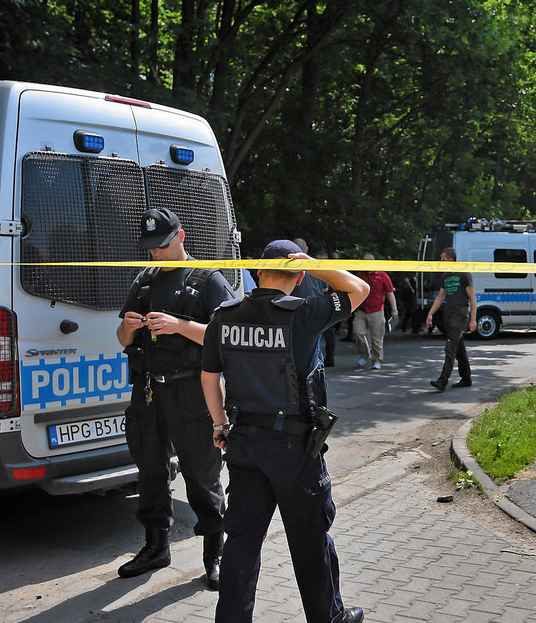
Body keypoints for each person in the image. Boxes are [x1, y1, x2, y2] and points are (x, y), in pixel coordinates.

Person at [201, 239, 369, 623]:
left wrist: (219, 424)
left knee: (242, 543)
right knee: (310, 541)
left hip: (243, 444)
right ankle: (329, 618)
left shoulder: (223, 317)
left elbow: (209, 376)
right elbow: (358, 289)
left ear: (259, 270)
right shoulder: (304, 314)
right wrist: (313, 262)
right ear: (299, 276)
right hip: (295, 450)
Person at [115, 208, 233, 589]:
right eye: (149, 248)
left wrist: (181, 326)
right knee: (150, 470)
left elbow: (227, 338)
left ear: (181, 236)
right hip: (149, 389)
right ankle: (155, 547)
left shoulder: (208, 279)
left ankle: (214, 554)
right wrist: (129, 328)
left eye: (162, 246)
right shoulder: (146, 280)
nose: (155, 254)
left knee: (202, 475)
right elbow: (121, 339)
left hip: (192, 390)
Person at [425, 247, 477, 391]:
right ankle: (466, 379)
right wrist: (430, 313)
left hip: (460, 316)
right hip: (448, 315)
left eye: (443, 259)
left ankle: (442, 381)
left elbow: (472, 297)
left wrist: (473, 319)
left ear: (451, 259)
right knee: (459, 349)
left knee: (450, 348)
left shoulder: (464, 273)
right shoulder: (445, 276)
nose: (441, 262)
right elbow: (440, 296)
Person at [352, 254, 397, 369]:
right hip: (361, 310)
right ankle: (365, 354)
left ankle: (377, 360)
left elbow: (390, 293)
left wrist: (394, 309)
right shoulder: (360, 275)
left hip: (376, 311)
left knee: (376, 338)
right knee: (357, 332)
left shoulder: (382, 275)